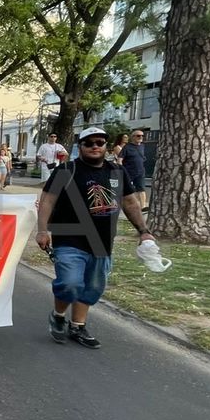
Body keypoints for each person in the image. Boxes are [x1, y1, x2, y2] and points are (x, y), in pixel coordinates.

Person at [35, 126, 155, 350]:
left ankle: (78, 326)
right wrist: (42, 230)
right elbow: (47, 201)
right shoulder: (66, 170)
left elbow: (130, 203)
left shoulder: (117, 171)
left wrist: (144, 231)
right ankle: (59, 315)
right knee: (69, 283)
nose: (94, 147)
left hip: (102, 240)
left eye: (99, 143)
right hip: (69, 237)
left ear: (106, 146)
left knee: (93, 287)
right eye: (88, 143)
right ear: (80, 146)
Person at [122, 129, 148, 211]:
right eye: (138, 135)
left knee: (141, 189)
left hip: (140, 171)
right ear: (133, 137)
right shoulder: (127, 147)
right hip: (128, 172)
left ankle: (143, 207)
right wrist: (120, 170)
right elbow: (120, 159)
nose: (141, 137)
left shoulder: (142, 146)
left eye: (142, 135)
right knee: (126, 189)